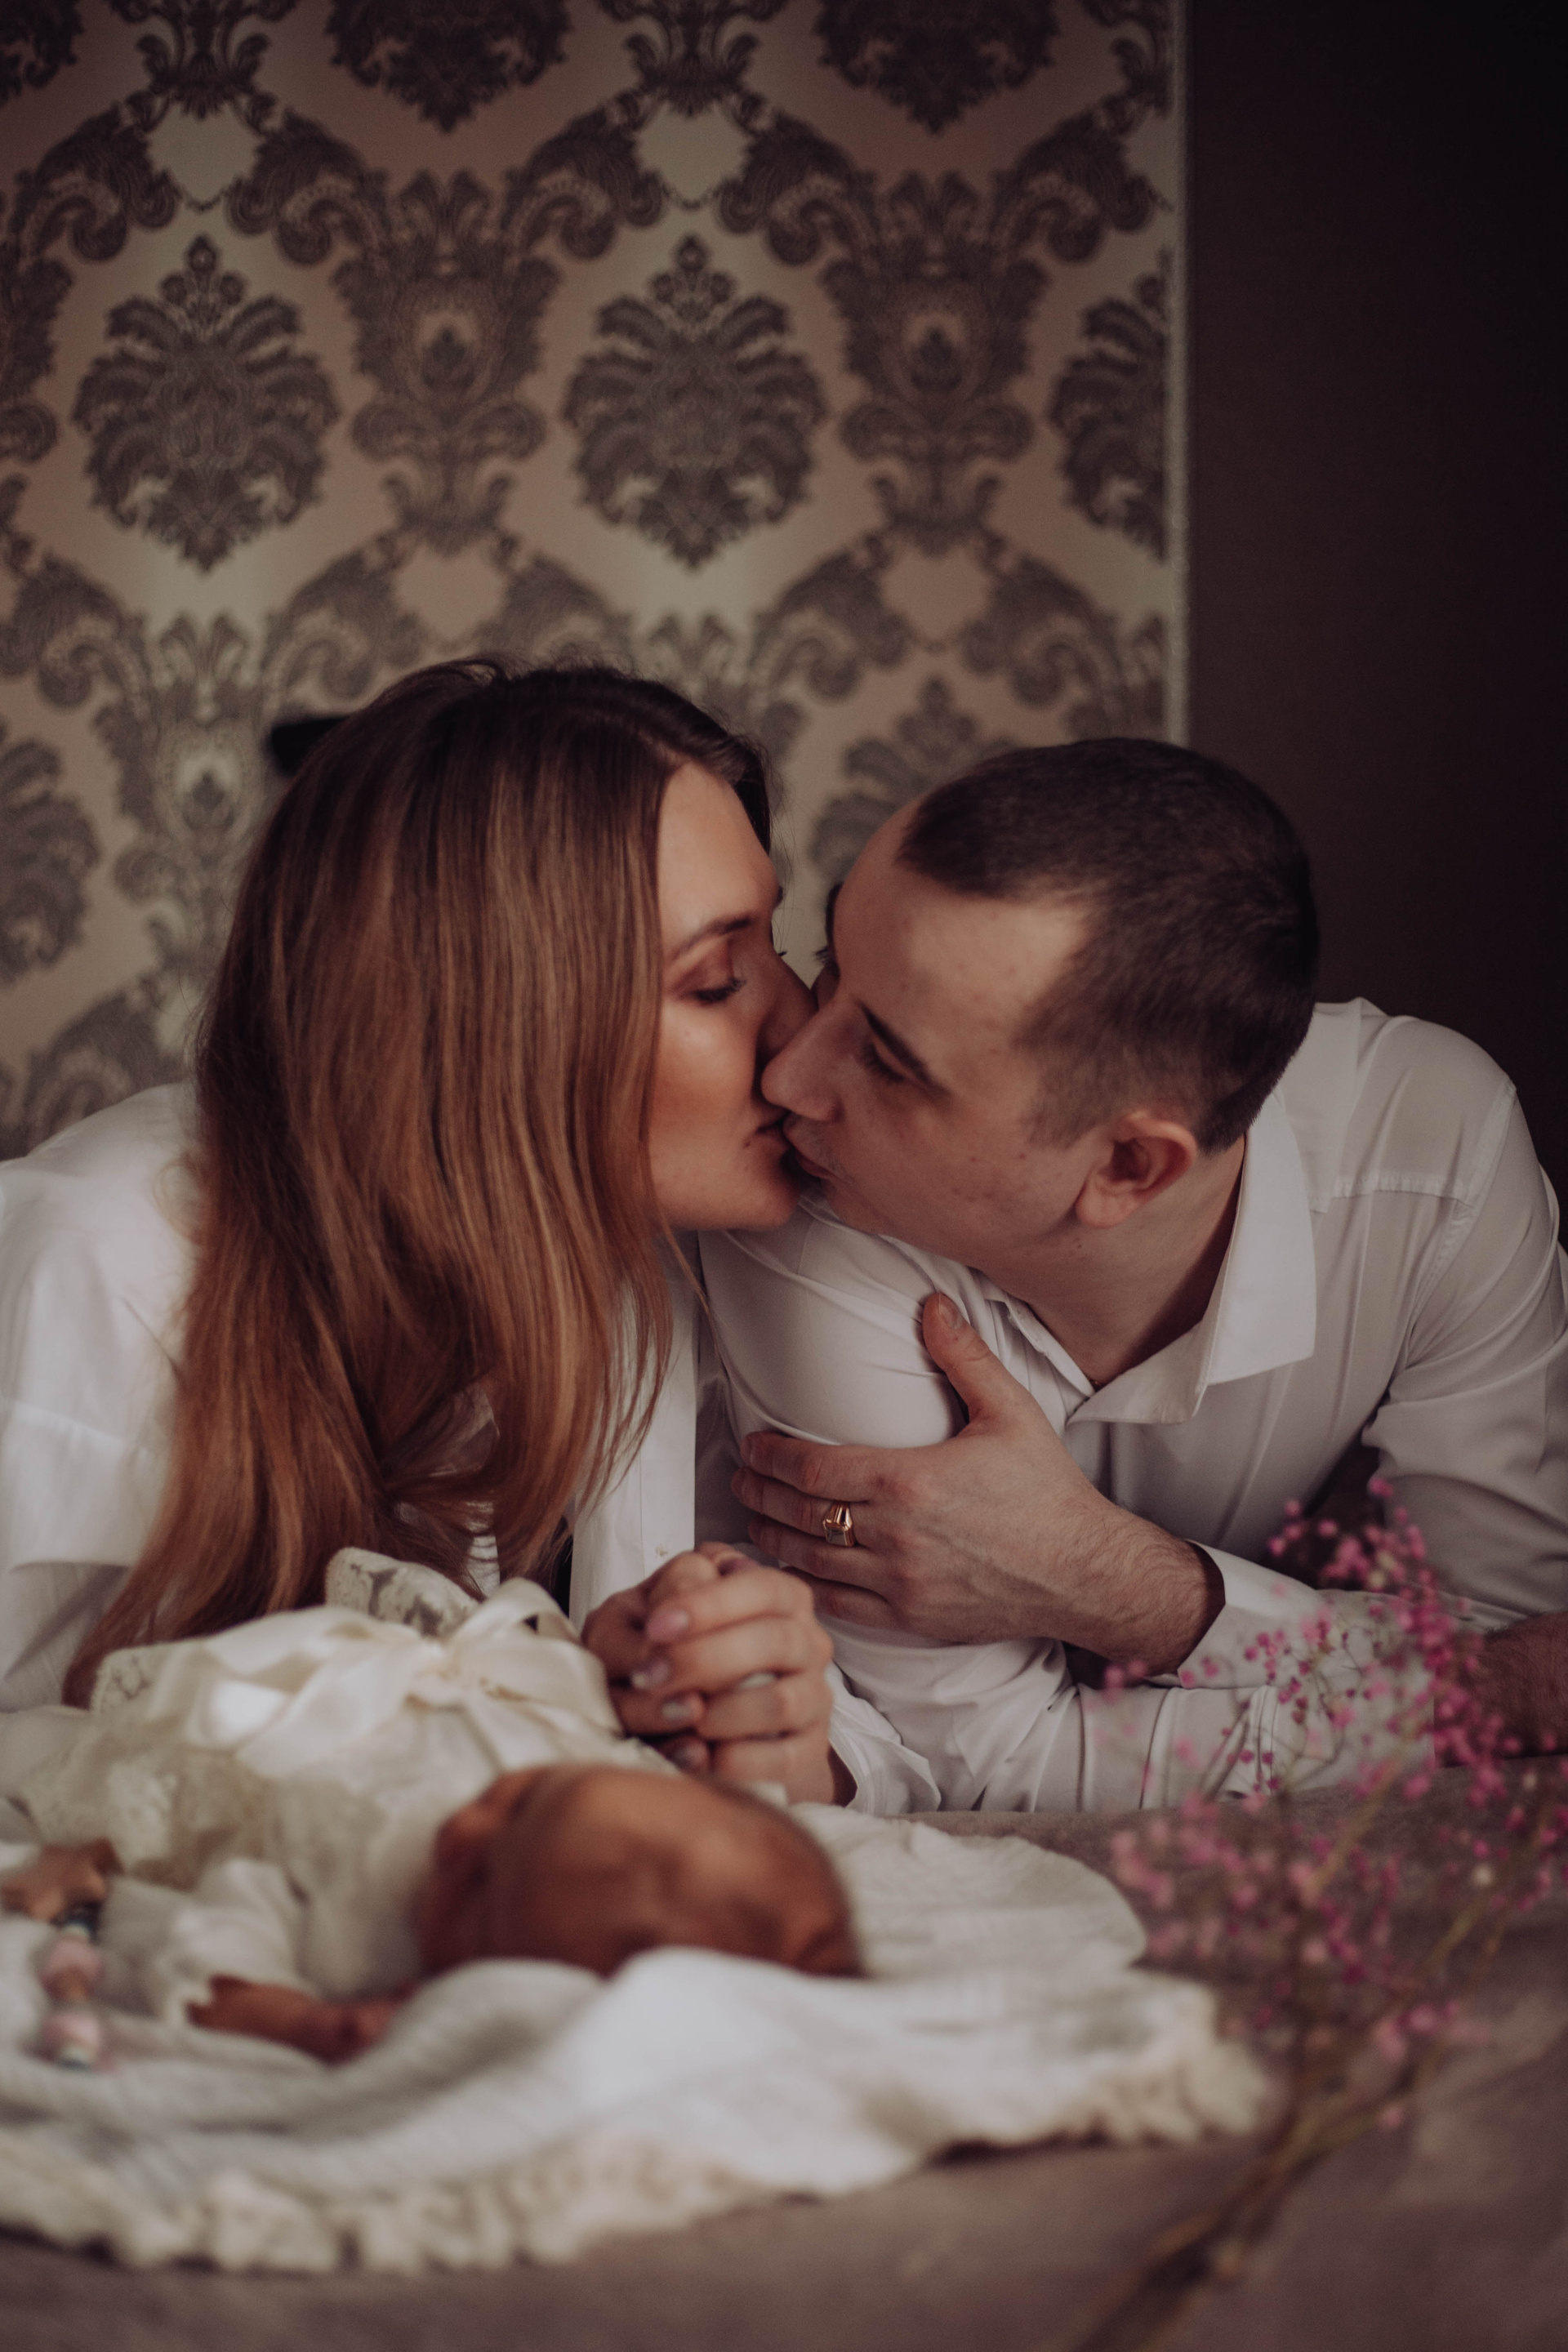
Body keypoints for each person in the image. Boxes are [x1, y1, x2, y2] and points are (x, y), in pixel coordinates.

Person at [0, 662, 848, 1804]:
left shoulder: (673, 1249)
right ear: (493, 1024)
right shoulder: (89, 1273)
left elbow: (901, 1725)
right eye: (713, 982)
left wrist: (745, 1725)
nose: (803, 1035)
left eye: (776, 946)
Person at [700, 741, 1568, 1809]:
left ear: (1126, 1167)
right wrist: (1475, 1694)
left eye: (884, 1059)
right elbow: (993, 1760)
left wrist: (1130, 1589)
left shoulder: (1433, 1164)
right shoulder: (805, 1198)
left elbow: (1515, 1649)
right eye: (828, 964)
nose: (785, 1074)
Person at [2, 1546, 858, 2065]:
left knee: (37, 1756)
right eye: (528, 1799)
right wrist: (646, 1675)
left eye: (480, 1886)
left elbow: (224, 1928)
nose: (466, 1827)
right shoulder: (606, 1788)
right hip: (368, 1670)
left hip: (206, 1763)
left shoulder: (364, 1943)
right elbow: (659, 1768)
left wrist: (288, 2019)